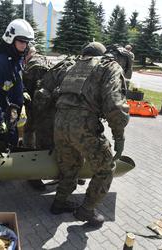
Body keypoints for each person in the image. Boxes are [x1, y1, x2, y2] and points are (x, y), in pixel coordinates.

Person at [50, 42, 130, 227]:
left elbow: (54, 91)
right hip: (83, 125)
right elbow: (115, 105)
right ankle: (86, 210)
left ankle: (59, 203)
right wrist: (119, 136)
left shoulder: (72, 65)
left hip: (60, 123)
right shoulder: (108, 66)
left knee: (69, 166)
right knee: (106, 168)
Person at [0, 19, 34, 147]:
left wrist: (23, 92)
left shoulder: (15, 60)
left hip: (10, 118)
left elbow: (16, 81)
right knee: (0, 154)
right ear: (11, 39)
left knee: (13, 145)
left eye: (26, 42)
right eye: (21, 41)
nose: (24, 45)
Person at [22, 43, 52, 190]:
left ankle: (33, 176)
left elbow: (25, 90)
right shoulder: (47, 60)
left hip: (36, 109)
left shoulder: (32, 66)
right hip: (50, 108)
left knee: (31, 136)